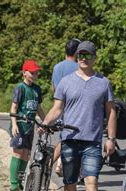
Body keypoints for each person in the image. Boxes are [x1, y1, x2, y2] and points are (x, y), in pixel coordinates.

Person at [39, 40, 117, 191]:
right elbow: (57, 109)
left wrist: (111, 138)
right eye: (81, 55)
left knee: (91, 180)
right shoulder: (66, 82)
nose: (83, 58)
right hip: (70, 138)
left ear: (94, 58)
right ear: (77, 57)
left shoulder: (103, 83)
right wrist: (45, 124)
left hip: (93, 140)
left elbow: (111, 112)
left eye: (88, 55)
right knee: (70, 181)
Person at [8, 60, 46, 191]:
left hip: (30, 126)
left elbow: (39, 109)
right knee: (18, 153)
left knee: (26, 154)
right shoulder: (20, 87)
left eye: (36, 72)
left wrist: (45, 122)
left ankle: (20, 182)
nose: (35, 74)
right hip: (19, 125)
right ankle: (13, 185)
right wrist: (14, 124)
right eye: (32, 72)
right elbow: (14, 108)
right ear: (24, 73)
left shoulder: (37, 89)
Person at [51, 38, 81, 177]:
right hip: (75, 108)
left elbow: (54, 88)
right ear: (77, 52)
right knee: (73, 139)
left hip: (59, 106)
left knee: (63, 136)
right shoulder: (79, 68)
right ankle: (57, 163)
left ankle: (58, 165)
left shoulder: (57, 67)